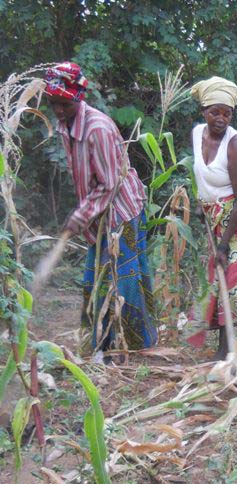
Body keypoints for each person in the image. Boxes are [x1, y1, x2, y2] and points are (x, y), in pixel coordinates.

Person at [45, 62, 157, 356]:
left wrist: (79, 216)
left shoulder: (97, 128)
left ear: (77, 98)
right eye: (53, 103)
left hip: (121, 214)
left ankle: (138, 348)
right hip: (98, 214)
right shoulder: (66, 124)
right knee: (95, 279)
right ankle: (101, 345)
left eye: (63, 103)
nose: (57, 110)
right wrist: (85, 216)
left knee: (125, 281)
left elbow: (110, 184)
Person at [188, 76, 237, 360]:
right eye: (214, 112)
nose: (220, 118)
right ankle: (224, 349)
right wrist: (202, 203)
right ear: (203, 112)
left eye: (227, 113)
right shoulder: (198, 135)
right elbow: (201, 173)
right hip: (217, 214)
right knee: (219, 278)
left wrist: (223, 245)